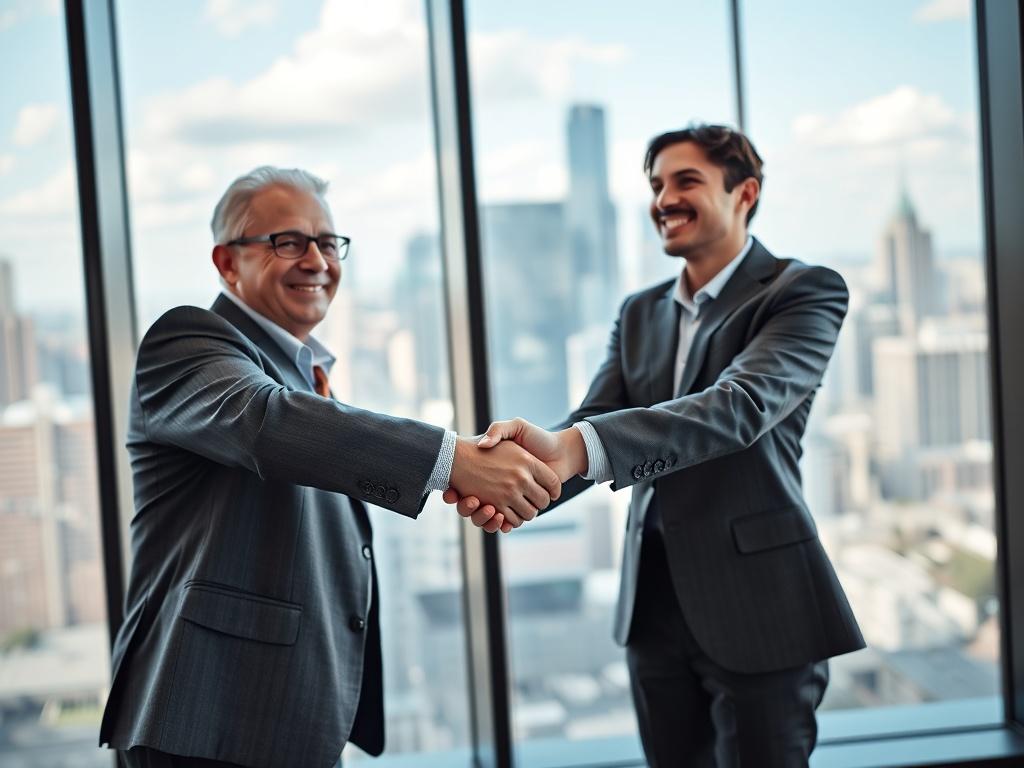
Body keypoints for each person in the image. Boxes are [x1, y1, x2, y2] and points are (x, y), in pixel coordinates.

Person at [98, 166, 560, 768]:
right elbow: (265, 423)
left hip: (289, 719)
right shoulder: (188, 343)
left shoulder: (306, 373)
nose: (316, 260)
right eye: (289, 242)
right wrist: (453, 460)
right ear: (228, 262)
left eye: (328, 242)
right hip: (207, 720)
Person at [448, 125, 865, 767]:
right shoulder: (639, 311)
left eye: (685, 181)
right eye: (656, 185)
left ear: (745, 193)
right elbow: (592, 423)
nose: (664, 199)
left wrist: (572, 446)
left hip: (760, 605)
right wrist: (512, 483)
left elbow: (739, 406)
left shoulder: (801, 291)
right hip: (653, 608)